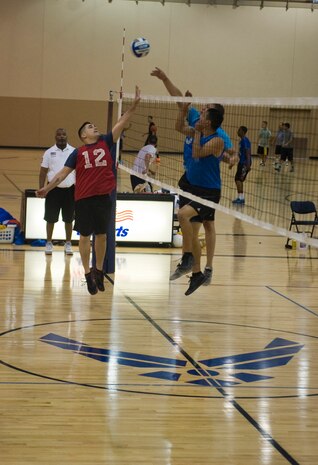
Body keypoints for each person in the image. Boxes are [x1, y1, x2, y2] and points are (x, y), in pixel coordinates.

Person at [37, 86, 141, 295]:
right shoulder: (78, 153)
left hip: (103, 197)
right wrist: (47, 188)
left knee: (101, 235)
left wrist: (134, 105)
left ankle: (99, 271)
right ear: (83, 135)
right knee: (85, 236)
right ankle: (87, 273)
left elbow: (121, 122)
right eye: (90, 127)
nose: (95, 128)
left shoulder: (106, 141)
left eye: (95, 126)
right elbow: (62, 174)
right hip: (83, 198)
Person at [151, 67, 236, 286]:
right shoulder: (197, 119)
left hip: (207, 186)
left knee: (204, 225)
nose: (203, 108)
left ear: (212, 117)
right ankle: (191, 264)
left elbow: (227, 152)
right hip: (189, 180)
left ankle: (206, 268)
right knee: (190, 224)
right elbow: (179, 103)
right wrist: (165, 78)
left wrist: (231, 159)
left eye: (207, 108)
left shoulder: (219, 134)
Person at [174, 106, 225, 296]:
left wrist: (196, 131)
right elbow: (178, 126)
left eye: (203, 115)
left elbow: (197, 152)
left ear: (208, 122)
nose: (199, 115)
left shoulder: (217, 139)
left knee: (186, 217)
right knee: (189, 225)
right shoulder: (198, 131)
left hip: (209, 193)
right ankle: (195, 271)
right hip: (193, 187)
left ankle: (196, 262)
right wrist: (183, 110)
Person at [39, 128, 75, 255]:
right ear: (55, 137)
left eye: (64, 134)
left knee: (69, 219)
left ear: (67, 136)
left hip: (70, 190)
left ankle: (68, 243)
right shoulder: (49, 152)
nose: (61, 137)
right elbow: (43, 172)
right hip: (53, 191)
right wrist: (42, 189)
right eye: (59, 135)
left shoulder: (73, 151)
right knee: (50, 218)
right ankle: (49, 242)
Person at [232, 126, 252, 205]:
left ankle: (241, 198)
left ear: (243, 131)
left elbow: (248, 152)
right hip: (241, 162)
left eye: (239, 130)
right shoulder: (241, 141)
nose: (237, 131)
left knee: (238, 179)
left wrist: (248, 164)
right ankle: (240, 197)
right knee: (238, 179)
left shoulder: (245, 140)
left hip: (244, 163)